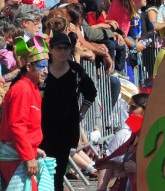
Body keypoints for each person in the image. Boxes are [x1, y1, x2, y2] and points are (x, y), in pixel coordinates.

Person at [41, 32, 97, 191]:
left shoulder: (75, 70)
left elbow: (91, 92)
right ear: (51, 49)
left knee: (58, 170)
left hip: (67, 127)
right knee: (44, 167)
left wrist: (81, 113)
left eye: (66, 48)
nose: (63, 52)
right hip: (43, 126)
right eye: (59, 48)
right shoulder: (43, 69)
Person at [0, 36, 50, 187]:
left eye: (47, 66)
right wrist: (29, 156)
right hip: (15, 156)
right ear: (28, 67)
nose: (46, 71)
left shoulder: (32, 88)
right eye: (42, 66)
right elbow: (17, 126)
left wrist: (34, 150)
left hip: (21, 153)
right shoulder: (22, 89)